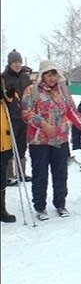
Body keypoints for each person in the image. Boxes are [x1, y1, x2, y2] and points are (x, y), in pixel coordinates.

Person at [22, 60, 81, 220]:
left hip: (60, 140)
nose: (51, 78)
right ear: (42, 75)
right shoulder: (31, 91)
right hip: (39, 142)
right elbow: (26, 112)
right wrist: (42, 123)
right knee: (40, 175)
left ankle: (60, 204)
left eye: (54, 74)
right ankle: (40, 207)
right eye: (48, 74)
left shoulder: (62, 91)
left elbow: (72, 111)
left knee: (61, 174)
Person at [2, 49, 33, 185]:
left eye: (19, 62)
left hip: (24, 115)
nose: (17, 64)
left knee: (22, 144)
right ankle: (9, 175)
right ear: (9, 63)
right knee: (9, 145)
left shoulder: (25, 76)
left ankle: (21, 173)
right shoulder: (4, 77)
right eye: (14, 62)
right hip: (10, 115)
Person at [1, 78, 16, 222]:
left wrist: (9, 95)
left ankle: (1, 209)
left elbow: (14, 108)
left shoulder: (4, 99)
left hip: (3, 144)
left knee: (1, 178)